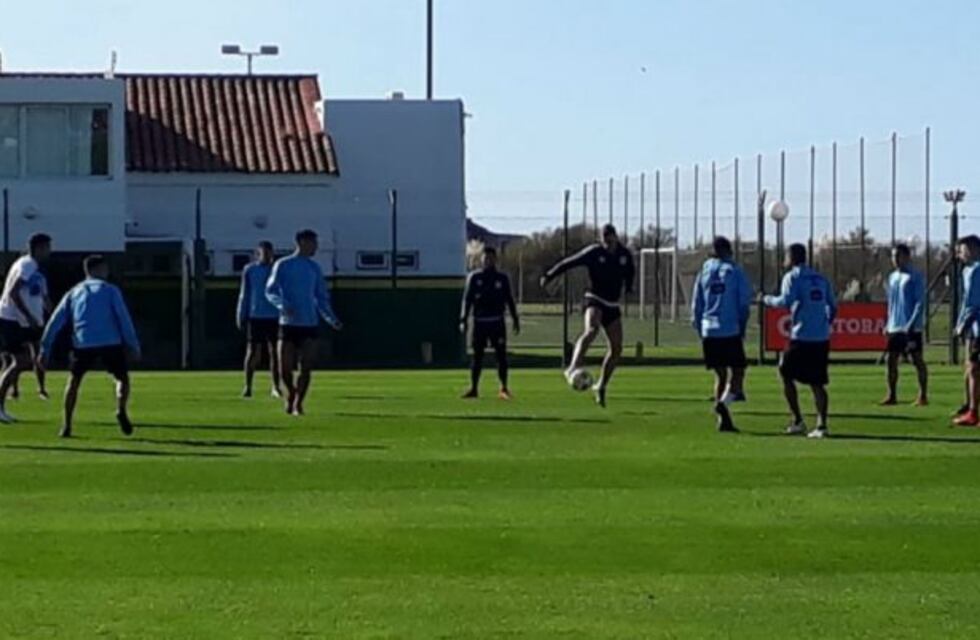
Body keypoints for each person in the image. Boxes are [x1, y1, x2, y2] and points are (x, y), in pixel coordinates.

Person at [38, 255, 141, 438]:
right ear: (97, 269)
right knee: (122, 378)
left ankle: (67, 424)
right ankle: (120, 408)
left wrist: (45, 347)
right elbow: (123, 318)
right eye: (105, 268)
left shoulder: (74, 292)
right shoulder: (110, 290)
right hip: (110, 341)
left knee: (74, 381)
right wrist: (132, 344)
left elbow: (56, 320)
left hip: (83, 341)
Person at [539, 223, 634, 408]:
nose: (607, 240)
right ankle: (573, 366)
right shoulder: (594, 252)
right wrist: (550, 275)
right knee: (592, 329)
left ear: (615, 237)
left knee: (616, 349)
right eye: (604, 237)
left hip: (612, 304)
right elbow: (569, 262)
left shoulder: (624, 255)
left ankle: (601, 386)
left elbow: (630, 272)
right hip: (594, 298)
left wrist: (629, 288)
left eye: (610, 236)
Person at [763, 243, 837, 439]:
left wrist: (767, 300)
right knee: (817, 382)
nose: (784, 260)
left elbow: (785, 301)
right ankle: (822, 425)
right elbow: (833, 306)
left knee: (784, 371)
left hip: (801, 336)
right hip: (821, 337)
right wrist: (824, 323)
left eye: (786, 256)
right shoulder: (820, 278)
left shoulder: (793, 277)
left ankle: (797, 420)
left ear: (792, 258)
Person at [265, 229, 342, 416]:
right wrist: (283, 305)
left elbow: (321, 297)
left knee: (306, 366)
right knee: (284, 368)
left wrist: (331, 318)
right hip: (288, 323)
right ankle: (291, 392)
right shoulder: (282, 265)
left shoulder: (314, 268)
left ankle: (298, 403)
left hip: (309, 323)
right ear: (301, 242)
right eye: (313, 243)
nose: (316, 247)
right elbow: (271, 291)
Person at [691, 236, 753, 432]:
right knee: (738, 372)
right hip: (729, 328)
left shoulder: (705, 271)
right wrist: (742, 325)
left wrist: (700, 328)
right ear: (728, 251)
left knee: (720, 375)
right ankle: (723, 404)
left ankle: (723, 420)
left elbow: (696, 304)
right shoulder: (734, 271)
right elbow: (744, 303)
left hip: (709, 328)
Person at [0, 233, 52, 423]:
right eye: (47, 247)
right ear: (39, 248)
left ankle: (5, 403)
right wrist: (28, 316)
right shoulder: (27, 265)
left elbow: (41, 297)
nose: (49, 251)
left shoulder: (32, 267)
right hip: (11, 319)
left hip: (22, 321)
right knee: (19, 360)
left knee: (27, 359)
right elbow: (13, 292)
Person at [459, 246, 520, 399]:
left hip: (497, 323)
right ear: (481, 260)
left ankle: (504, 388)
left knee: (501, 356)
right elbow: (467, 300)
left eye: (491, 259)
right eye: (485, 259)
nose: (488, 261)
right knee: (477, 357)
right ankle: (473, 388)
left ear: (495, 260)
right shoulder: (474, 278)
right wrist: (463, 320)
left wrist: (515, 319)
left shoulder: (502, 278)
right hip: (480, 323)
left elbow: (509, 300)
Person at [881, 244, 928, 406]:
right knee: (890, 360)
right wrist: (888, 323)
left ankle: (923, 395)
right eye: (893, 256)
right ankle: (891, 395)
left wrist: (911, 322)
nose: (895, 260)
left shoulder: (915, 276)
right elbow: (891, 303)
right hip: (895, 326)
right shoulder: (892, 277)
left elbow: (920, 302)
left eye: (898, 256)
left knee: (917, 360)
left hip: (911, 327)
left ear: (907, 257)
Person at [237, 241, 281, 399]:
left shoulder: (278, 269)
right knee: (252, 352)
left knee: (275, 353)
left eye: (270, 253)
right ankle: (248, 386)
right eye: (264, 253)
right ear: (258, 254)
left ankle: (276, 387)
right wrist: (241, 314)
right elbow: (244, 293)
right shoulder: (250, 270)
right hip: (255, 316)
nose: (268, 256)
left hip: (275, 316)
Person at [952, 235, 980, 427]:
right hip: (974, 327)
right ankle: (971, 408)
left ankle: (973, 412)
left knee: (974, 369)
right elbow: (966, 301)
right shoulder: (967, 271)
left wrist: (963, 324)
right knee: (971, 368)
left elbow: (974, 302)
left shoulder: (977, 270)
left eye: (961, 250)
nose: (958, 254)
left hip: (977, 327)